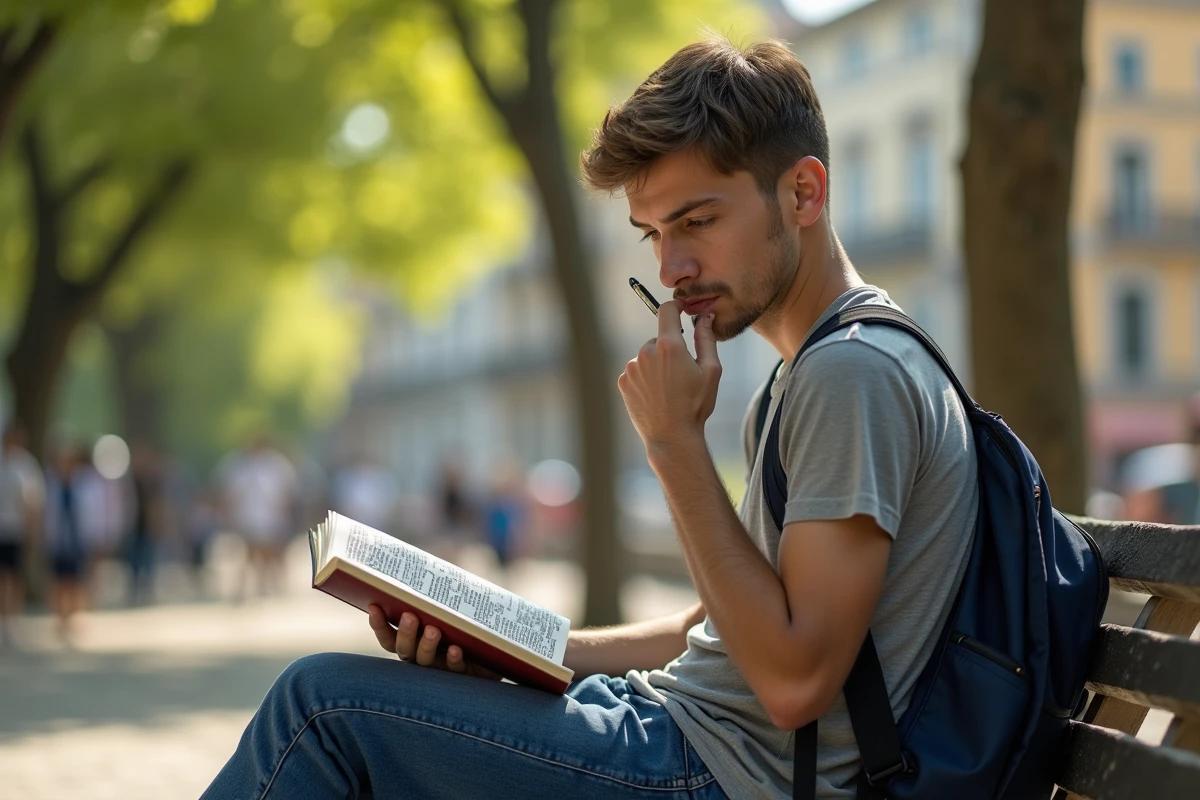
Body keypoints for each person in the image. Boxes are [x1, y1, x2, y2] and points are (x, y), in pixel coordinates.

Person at [204, 37, 977, 799]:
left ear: (803, 193)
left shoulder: (852, 373)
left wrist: (673, 443)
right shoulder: (812, 371)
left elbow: (792, 681)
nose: (670, 269)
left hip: (720, 771)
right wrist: (514, 653)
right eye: (654, 235)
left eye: (697, 221)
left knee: (322, 709)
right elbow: (711, 630)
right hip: (684, 731)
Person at [216, 435, 299, 601]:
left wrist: (284, 513)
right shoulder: (238, 464)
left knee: (269, 551)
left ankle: (268, 583)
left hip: (270, 517)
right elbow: (229, 492)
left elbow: (287, 491)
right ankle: (249, 585)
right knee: (248, 551)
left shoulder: (277, 465)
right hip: (247, 516)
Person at [0, 422, 44, 648]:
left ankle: (12, 621)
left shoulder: (25, 464)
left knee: (14, 576)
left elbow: (33, 500)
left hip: (15, 529)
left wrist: (32, 530)